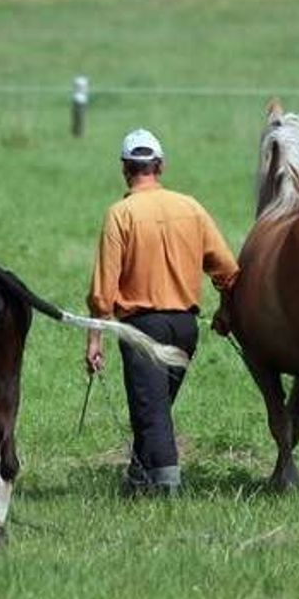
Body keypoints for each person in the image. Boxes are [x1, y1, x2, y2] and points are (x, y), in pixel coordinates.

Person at [85, 128, 239, 495]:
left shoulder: (120, 214)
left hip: (143, 329)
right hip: (185, 328)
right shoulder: (191, 207)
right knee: (152, 406)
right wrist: (226, 312)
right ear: (161, 166)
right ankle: (138, 479)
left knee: (151, 411)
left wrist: (94, 340)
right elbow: (228, 270)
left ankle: (168, 490)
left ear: (125, 168)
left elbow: (103, 291)